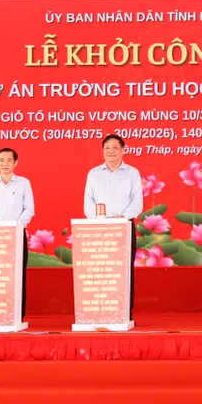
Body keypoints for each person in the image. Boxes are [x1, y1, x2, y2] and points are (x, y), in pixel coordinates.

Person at [83, 134, 143, 317]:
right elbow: (88, 200)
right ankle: (101, 311)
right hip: (100, 228)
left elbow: (137, 201)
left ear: (123, 151)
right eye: (107, 148)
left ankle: (124, 312)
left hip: (123, 226)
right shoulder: (94, 174)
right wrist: (97, 218)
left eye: (115, 148)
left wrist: (122, 217)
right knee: (100, 269)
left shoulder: (132, 173)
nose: (110, 152)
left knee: (123, 270)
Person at [0, 147, 35, 320]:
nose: (5, 164)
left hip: (17, 234)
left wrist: (17, 226)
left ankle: (17, 314)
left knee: (18, 274)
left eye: (8, 160)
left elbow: (29, 208)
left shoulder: (23, 183)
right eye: (1, 160)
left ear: (15, 163)